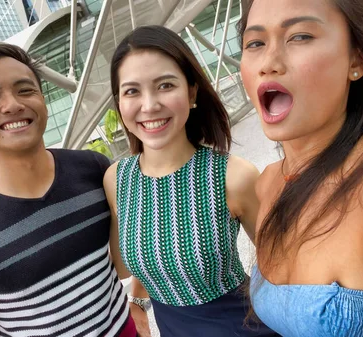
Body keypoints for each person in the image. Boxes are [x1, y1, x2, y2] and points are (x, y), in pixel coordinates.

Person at [0, 44, 137, 337]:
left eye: (25, 90)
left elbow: (124, 264)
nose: (11, 104)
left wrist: (137, 303)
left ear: (43, 100)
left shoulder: (94, 169)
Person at [239, 0, 363, 336]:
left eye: (300, 36)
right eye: (255, 43)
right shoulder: (267, 184)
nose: (269, 62)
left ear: (358, 58)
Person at [105, 25, 277, 336]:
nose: (149, 105)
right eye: (132, 91)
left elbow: (283, 265)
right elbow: (149, 254)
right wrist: (136, 300)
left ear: (192, 91)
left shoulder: (232, 175)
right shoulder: (117, 179)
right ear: (119, 103)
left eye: (165, 85)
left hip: (243, 327)